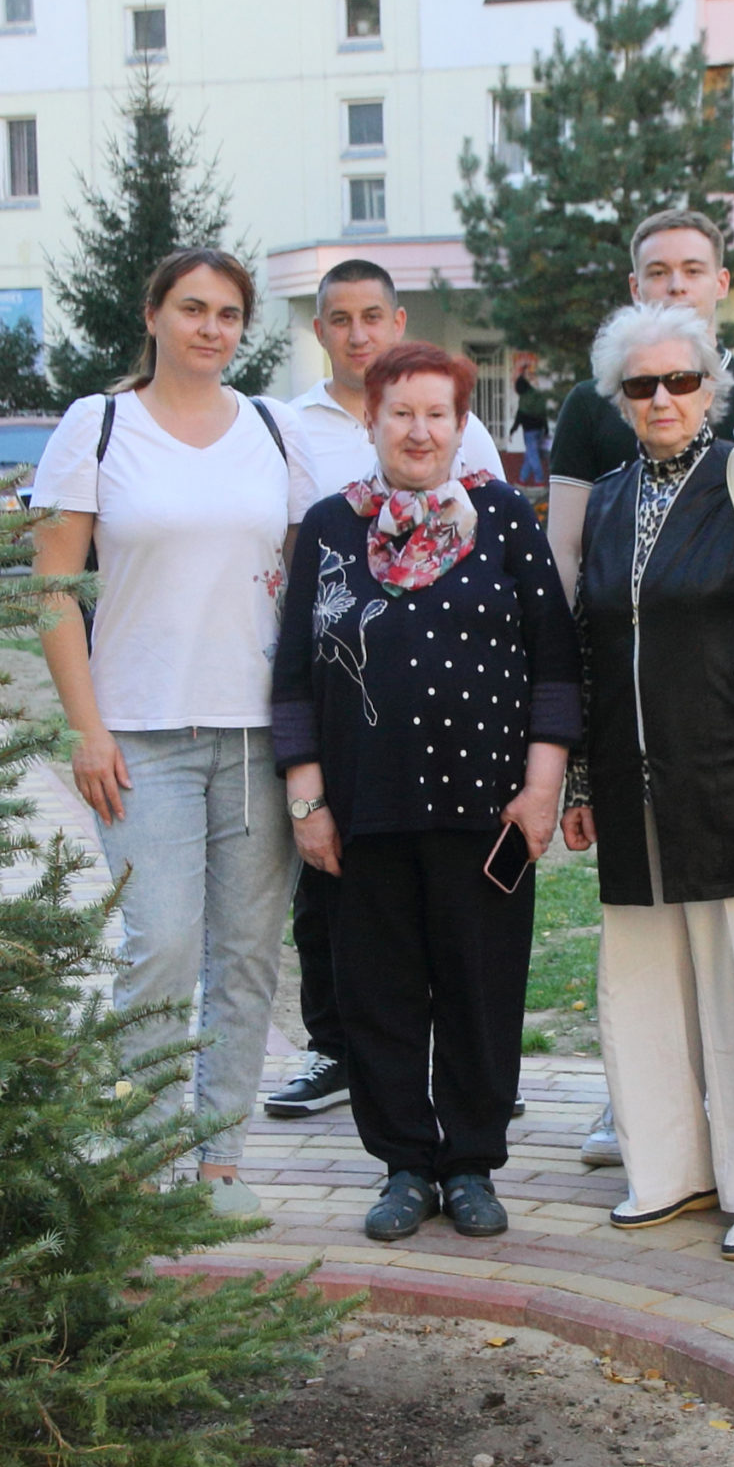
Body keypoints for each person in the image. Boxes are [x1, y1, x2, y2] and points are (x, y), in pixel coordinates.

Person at [28, 247, 319, 1217]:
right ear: (152, 314)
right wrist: (86, 729)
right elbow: (53, 590)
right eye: (192, 308)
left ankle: (219, 1162)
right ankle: (145, 1156)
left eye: (228, 314)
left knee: (246, 955)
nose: (210, 328)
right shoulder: (98, 426)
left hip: (256, 737)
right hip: (140, 736)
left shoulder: (274, 430)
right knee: (158, 947)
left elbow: (306, 583)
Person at [273, 341, 580, 1242]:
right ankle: (405, 1165)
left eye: (436, 413)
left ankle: (472, 1164)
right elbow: (293, 672)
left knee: (481, 992)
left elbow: (555, 663)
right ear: (371, 421)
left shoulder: (505, 517)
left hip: (487, 811)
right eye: (400, 413)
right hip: (363, 809)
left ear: (460, 423)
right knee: (379, 995)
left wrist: (542, 788)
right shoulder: (329, 526)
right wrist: (307, 801)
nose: (418, 431)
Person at [544, 208, 734, 1170]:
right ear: (618, 399)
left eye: (680, 381)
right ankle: (665, 1169)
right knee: (642, 984)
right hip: (632, 777)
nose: (661, 398)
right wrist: (581, 780)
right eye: (641, 385)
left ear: (711, 386)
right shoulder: (611, 498)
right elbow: (590, 640)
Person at [269, 258, 509, 1124]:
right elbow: (294, 604)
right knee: (351, 937)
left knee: (463, 950)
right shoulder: (296, 443)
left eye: (373, 315)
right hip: (354, 740)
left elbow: (526, 617)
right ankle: (350, 1071)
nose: (358, 332)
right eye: (340, 319)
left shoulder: (478, 472)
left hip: (466, 767)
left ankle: (471, 1112)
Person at [511, 365, 551, 486]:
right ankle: (522, 479)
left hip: (529, 431)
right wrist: (546, 429)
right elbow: (543, 413)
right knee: (529, 455)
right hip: (539, 429)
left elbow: (519, 416)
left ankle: (539, 480)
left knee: (532, 455)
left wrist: (513, 430)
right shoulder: (537, 395)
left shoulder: (524, 398)